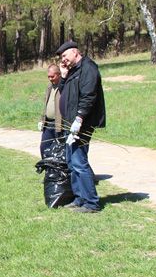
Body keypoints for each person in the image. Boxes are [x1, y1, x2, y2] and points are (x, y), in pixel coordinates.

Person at [57, 41, 106, 213]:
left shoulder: (88, 68)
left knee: (79, 162)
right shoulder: (72, 71)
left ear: (74, 52)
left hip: (82, 124)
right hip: (70, 124)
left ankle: (91, 203)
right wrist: (63, 77)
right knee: (71, 162)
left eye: (64, 56)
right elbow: (63, 93)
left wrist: (79, 119)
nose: (63, 60)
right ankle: (79, 198)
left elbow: (89, 96)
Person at [39, 64, 64, 158]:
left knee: (60, 149)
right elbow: (45, 104)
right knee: (44, 147)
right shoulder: (49, 87)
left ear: (59, 74)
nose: (50, 79)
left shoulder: (64, 87)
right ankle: (49, 170)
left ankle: (60, 171)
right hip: (48, 124)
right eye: (48, 76)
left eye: (52, 76)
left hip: (59, 124)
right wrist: (42, 120)